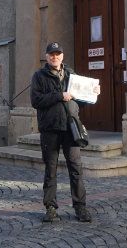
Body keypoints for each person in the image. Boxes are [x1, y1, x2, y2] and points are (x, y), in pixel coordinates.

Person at [31, 41, 98, 223]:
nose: (55, 57)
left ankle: (80, 208)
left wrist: (92, 94)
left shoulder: (71, 75)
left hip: (71, 128)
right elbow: (36, 101)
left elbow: (80, 100)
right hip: (50, 129)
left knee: (76, 169)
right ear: (47, 56)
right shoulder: (39, 76)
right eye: (52, 54)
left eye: (58, 53)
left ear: (62, 56)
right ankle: (51, 208)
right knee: (50, 170)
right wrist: (59, 96)